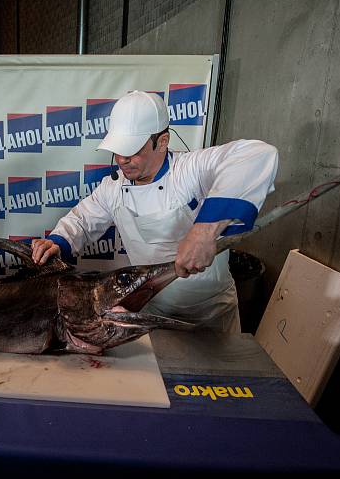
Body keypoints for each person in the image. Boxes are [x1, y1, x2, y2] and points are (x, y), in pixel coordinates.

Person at [31, 90, 278, 331]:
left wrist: (203, 232)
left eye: (133, 150)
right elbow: (82, 221)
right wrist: (58, 242)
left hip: (211, 315)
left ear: (162, 142)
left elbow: (257, 155)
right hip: (152, 311)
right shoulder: (113, 189)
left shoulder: (189, 170)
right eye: (118, 149)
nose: (121, 159)